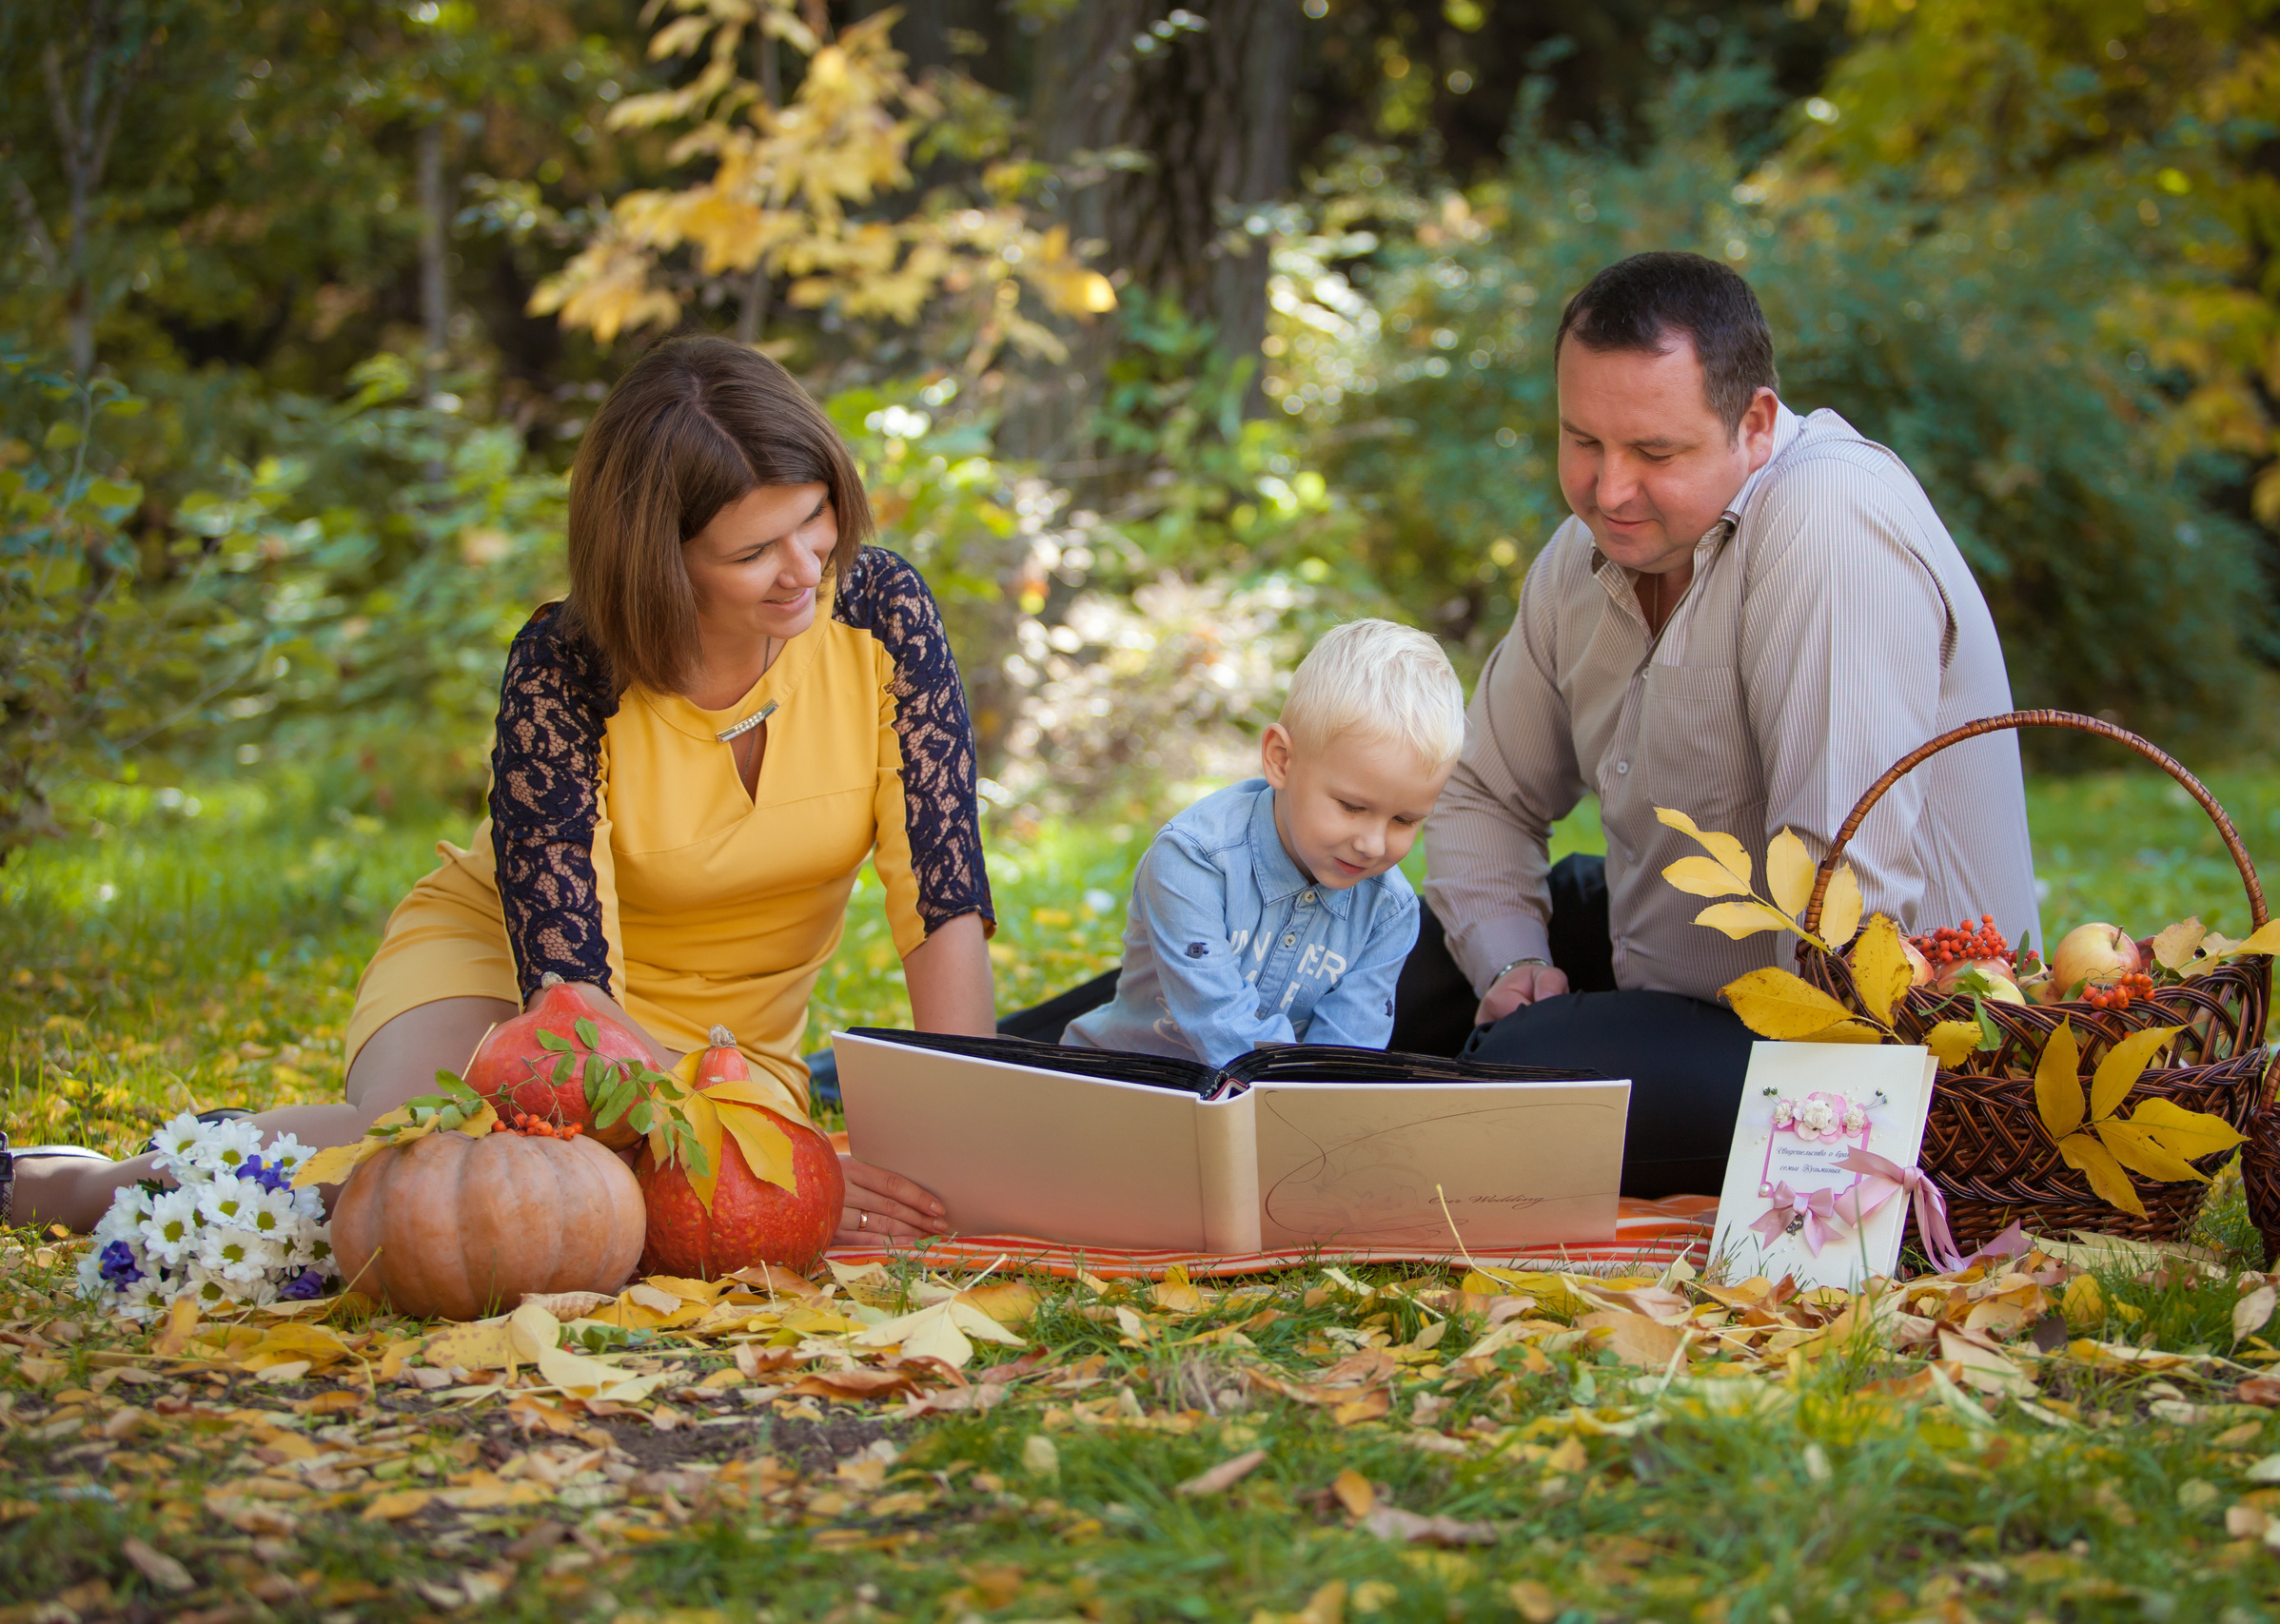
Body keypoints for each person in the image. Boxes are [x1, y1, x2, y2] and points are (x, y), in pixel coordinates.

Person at [10, 337, 986, 1242]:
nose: (804, 568)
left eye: (815, 518)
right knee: (422, 1165)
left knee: (615, 1225)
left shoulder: (881, 612)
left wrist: (964, 1142)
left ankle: (240, 1149)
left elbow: (939, 899)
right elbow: (570, 1001)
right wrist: (757, 1156)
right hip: (523, 982)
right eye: (751, 552)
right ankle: (82, 1188)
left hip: (732, 1044)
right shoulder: (565, 666)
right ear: (659, 558)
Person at [1390, 251, 2039, 1198]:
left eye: (1655, 454)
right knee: (1357, 943)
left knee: (1520, 1070)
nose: (1609, 491)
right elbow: (1483, 793)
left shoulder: (1829, 520)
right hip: (1683, 965)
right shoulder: (1588, 557)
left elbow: (1844, 896)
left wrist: (1535, 1027)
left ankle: (1375, 1113)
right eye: (1582, 442)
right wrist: (1513, 962)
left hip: (1876, 1048)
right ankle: (1146, 1061)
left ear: (1756, 425)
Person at [1060, 619, 1466, 1066]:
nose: (1372, 844)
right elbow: (1223, 1026)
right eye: (1351, 807)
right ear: (1282, 760)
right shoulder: (1193, 860)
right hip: (1123, 1085)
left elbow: (1348, 1051)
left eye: (1405, 820)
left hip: (1272, 1108)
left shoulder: (1388, 912)